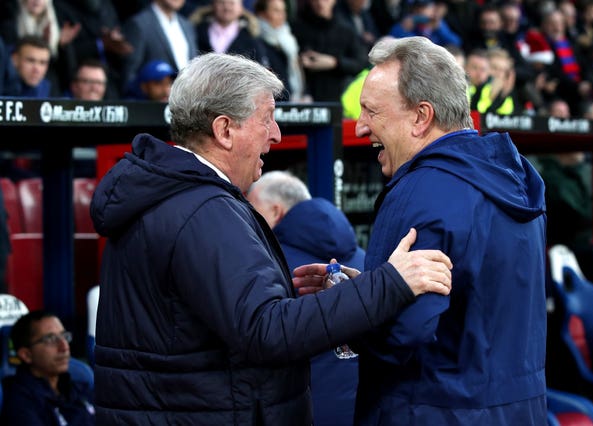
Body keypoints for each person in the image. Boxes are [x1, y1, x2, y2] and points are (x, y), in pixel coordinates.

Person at [89, 51, 453, 424]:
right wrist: (389, 284)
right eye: (267, 119)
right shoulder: (201, 209)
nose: (277, 135)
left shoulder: (176, 198)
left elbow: (207, 325)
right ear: (224, 130)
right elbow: (267, 331)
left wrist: (302, 298)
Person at [348, 36, 548, 424]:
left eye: (372, 111)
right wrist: (367, 288)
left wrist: (347, 310)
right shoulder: (517, 181)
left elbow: (398, 334)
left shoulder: (422, 189)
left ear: (422, 117)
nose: (360, 127)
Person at [246, 170, 362, 426]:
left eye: (252, 211)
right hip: (362, 411)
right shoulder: (363, 261)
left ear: (276, 212)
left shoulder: (267, 266)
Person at [0, 310, 95, 425]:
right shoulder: (20, 403)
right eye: (51, 339)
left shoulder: (80, 386)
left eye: (64, 336)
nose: (64, 347)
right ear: (26, 355)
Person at [121, 0, 198, 96]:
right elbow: (129, 73)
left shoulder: (187, 25)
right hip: (153, 105)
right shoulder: (139, 24)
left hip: (186, 101)